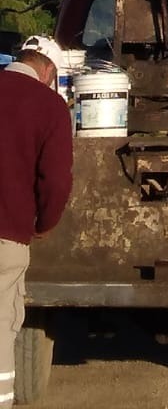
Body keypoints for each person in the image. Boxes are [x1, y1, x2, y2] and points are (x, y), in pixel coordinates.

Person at [0, 49, 73, 407]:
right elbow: (56, 181)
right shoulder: (49, 106)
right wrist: (45, 223)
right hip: (7, 235)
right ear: (46, 71)